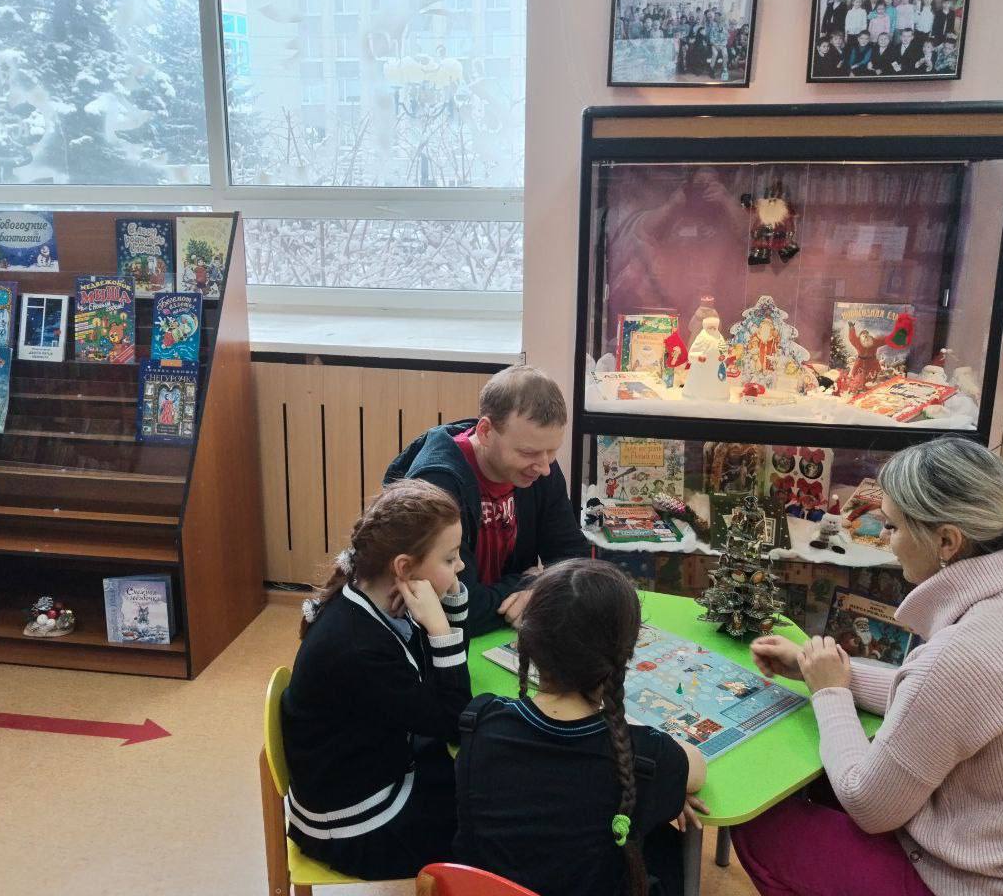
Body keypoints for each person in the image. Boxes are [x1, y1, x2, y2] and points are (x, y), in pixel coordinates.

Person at [732, 438, 1003, 895]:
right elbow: (942, 707)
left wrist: (831, 693)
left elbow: (869, 804)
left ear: (946, 540)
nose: (887, 540)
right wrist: (821, 671)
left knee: (759, 822)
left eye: (893, 526)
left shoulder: (960, 655)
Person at [454, 560, 708, 896]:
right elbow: (696, 770)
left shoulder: (481, 721)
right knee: (667, 846)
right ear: (624, 655)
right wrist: (663, 790)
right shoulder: (645, 757)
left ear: (526, 642)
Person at [281, 480, 472, 880]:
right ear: (403, 567)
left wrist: (447, 606)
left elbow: (434, 685)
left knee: (483, 781)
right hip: (357, 824)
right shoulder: (359, 649)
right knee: (487, 819)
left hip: (370, 770)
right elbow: (455, 720)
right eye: (450, 558)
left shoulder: (378, 599)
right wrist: (440, 629)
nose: (461, 567)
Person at [384, 365, 589, 632]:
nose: (544, 467)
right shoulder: (437, 483)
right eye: (528, 452)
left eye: (552, 451)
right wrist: (531, 584)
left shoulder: (539, 467)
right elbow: (454, 604)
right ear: (485, 432)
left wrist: (540, 589)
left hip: (502, 630)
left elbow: (575, 562)